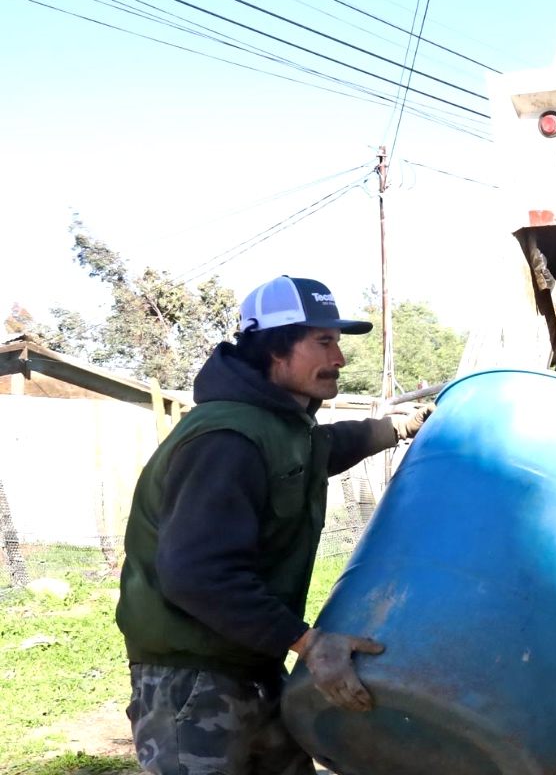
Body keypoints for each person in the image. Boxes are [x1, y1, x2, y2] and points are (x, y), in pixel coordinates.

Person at [116, 275, 433, 775]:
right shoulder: (225, 438)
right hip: (193, 681)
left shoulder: (277, 426)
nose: (340, 359)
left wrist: (393, 427)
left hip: (251, 665)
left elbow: (319, 451)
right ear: (273, 350)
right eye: (323, 342)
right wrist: (309, 643)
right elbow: (196, 574)